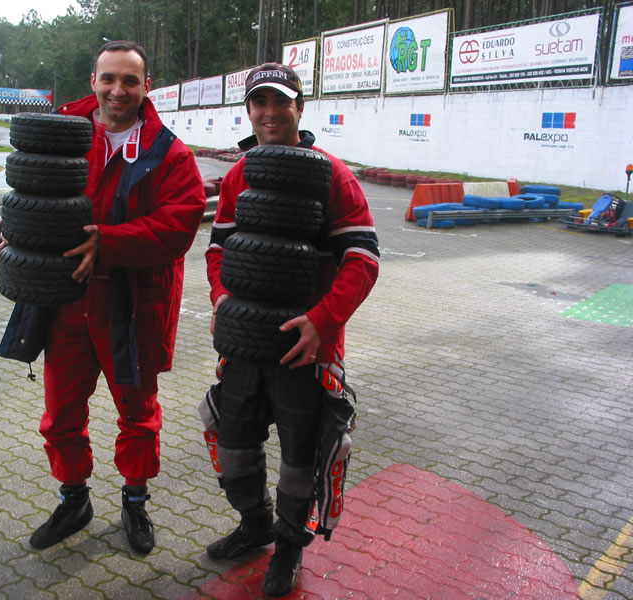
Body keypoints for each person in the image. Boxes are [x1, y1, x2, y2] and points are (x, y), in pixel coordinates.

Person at [0, 40, 206, 554]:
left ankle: (135, 502)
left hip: (132, 306)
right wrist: (20, 237)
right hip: (66, 303)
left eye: (130, 80)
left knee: (138, 415)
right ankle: (75, 499)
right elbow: (33, 200)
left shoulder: (169, 151)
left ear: (146, 87)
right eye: (109, 78)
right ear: (93, 81)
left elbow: (179, 225)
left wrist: (106, 243)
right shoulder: (62, 136)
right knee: (61, 415)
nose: (118, 90)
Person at [203, 63, 380, 596]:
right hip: (244, 346)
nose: (270, 113)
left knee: (303, 461)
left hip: (309, 348)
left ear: (300, 108)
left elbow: (363, 259)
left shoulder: (332, 174)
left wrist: (322, 323)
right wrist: (222, 299)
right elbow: (218, 251)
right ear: (249, 111)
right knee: (231, 448)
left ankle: (288, 547)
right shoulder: (241, 173)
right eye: (260, 103)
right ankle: (255, 525)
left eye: (281, 102)